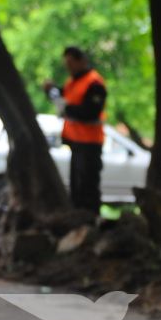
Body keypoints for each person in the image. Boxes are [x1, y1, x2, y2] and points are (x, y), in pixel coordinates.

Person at [47, 46, 107, 215]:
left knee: (88, 186)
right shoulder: (72, 82)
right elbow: (63, 99)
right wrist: (51, 92)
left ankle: (90, 221)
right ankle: (78, 220)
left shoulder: (94, 83)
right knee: (76, 188)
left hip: (90, 143)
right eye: (66, 63)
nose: (68, 67)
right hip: (76, 142)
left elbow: (89, 112)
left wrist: (66, 107)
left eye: (71, 63)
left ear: (82, 61)